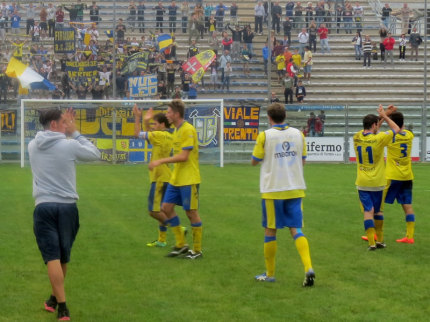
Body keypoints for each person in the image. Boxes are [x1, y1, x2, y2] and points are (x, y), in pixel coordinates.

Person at [28, 108, 100, 321]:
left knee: (54, 256)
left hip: (44, 206)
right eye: (63, 122)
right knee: (61, 256)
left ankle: (54, 299)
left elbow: (51, 143)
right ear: (53, 124)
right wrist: (75, 131)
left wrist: (67, 130)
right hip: (68, 207)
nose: (66, 124)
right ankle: (63, 308)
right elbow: (94, 154)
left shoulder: (32, 145)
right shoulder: (69, 145)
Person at [251, 102, 315, 286]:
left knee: (270, 230)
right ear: (285, 115)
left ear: (269, 117)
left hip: (273, 189)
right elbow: (303, 161)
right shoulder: (299, 134)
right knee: (296, 229)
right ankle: (308, 267)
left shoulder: (265, 136)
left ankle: (270, 274)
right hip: (295, 188)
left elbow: (255, 161)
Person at [148, 99, 203, 259]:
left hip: (189, 178)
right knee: (166, 207)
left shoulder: (188, 130)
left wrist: (160, 161)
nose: (167, 114)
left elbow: (184, 156)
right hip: (176, 178)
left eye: (169, 112)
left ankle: (197, 250)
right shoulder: (177, 130)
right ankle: (181, 244)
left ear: (177, 114)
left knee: (191, 212)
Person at [353, 105, 400, 250]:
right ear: (374, 125)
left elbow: (373, 127)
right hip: (378, 182)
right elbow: (396, 129)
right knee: (378, 211)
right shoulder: (379, 138)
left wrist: (382, 115)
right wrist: (386, 116)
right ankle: (380, 240)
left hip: (362, 182)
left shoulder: (357, 136)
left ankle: (372, 243)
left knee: (368, 211)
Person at [133, 105, 173, 247]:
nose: (153, 126)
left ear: (162, 124)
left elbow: (137, 134)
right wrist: (147, 121)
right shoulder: (167, 135)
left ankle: (177, 227)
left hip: (160, 177)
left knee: (153, 211)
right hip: (166, 176)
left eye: (155, 124)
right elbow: (149, 135)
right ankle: (162, 240)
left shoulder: (159, 135)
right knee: (162, 210)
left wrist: (138, 117)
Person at [384, 111, 416, 244]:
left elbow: (376, 135)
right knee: (407, 205)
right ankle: (410, 236)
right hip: (407, 176)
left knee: (377, 204)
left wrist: (384, 116)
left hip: (393, 176)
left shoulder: (391, 138)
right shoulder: (409, 135)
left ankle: (373, 234)